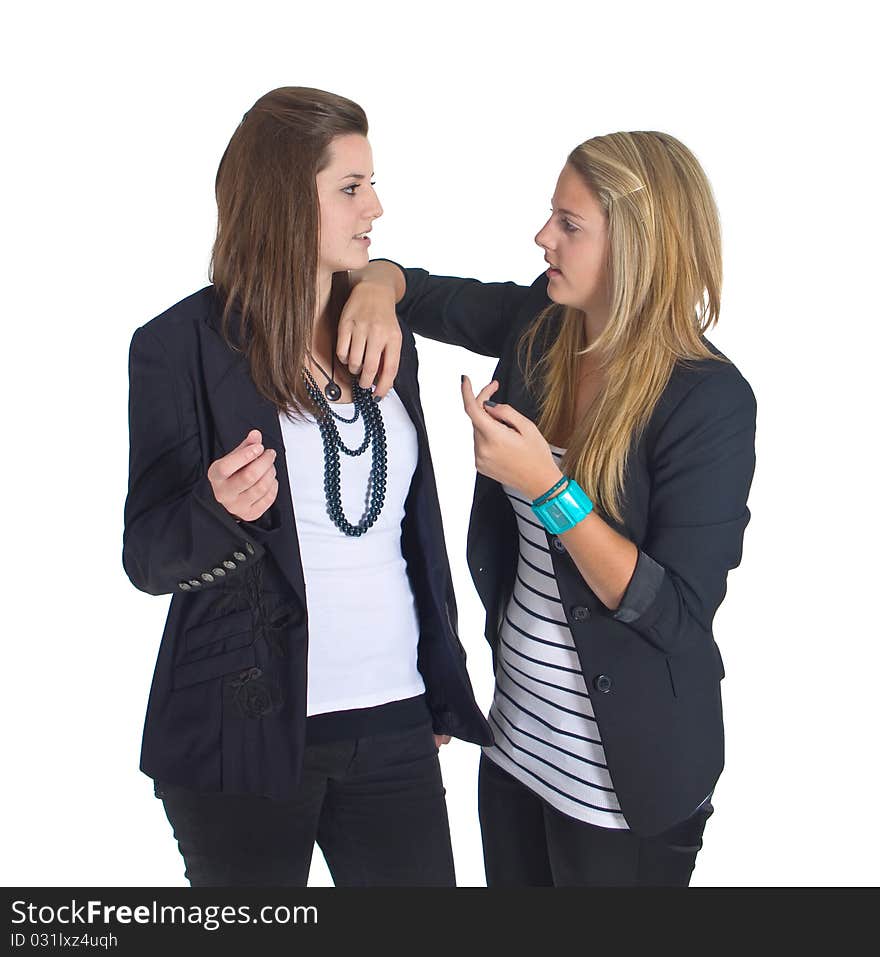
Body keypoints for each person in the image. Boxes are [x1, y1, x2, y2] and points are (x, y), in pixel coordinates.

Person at [346, 130, 757, 886]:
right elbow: (424, 291)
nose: (544, 238)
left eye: (570, 224)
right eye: (551, 217)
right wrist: (375, 282)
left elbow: (675, 614)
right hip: (516, 751)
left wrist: (547, 488)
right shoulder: (545, 324)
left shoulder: (709, 400)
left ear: (635, 247)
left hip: (622, 789)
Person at [122, 86, 491, 887]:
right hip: (242, 733)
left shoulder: (381, 331)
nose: (377, 205)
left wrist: (436, 675)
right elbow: (147, 556)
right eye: (351, 187)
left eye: (371, 183)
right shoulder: (179, 345)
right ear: (288, 200)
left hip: (394, 719)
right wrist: (216, 511)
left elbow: (411, 530)